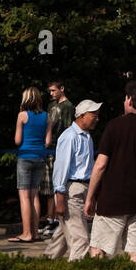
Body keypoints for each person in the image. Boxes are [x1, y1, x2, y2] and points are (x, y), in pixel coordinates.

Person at [86, 82, 136, 263]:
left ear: (129, 101)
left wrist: (90, 197)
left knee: (99, 249)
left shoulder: (114, 126)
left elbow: (100, 165)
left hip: (112, 198)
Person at [45, 100, 101, 261]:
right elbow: (61, 167)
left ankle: (45, 265)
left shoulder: (86, 137)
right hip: (71, 190)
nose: (96, 118)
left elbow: (87, 168)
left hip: (80, 188)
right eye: (93, 115)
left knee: (61, 238)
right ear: (82, 116)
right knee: (81, 240)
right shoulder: (69, 137)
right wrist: (60, 195)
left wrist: (91, 195)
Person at [11, 86, 53, 243]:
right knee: (35, 195)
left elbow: (17, 140)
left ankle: (26, 233)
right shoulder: (47, 117)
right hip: (40, 157)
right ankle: (35, 233)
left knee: (24, 196)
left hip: (25, 156)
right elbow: (48, 142)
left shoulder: (22, 115)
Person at [40, 80, 75, 236]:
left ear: (62, 89)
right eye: (50, 91)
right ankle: (50, 219)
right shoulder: (51, 105)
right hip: (49, 147)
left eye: (54, 90)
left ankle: (56, 220)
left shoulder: (68, 107)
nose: (52, 94)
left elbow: (68, 128)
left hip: (58, 148)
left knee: (57, 185)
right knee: (48, 186)